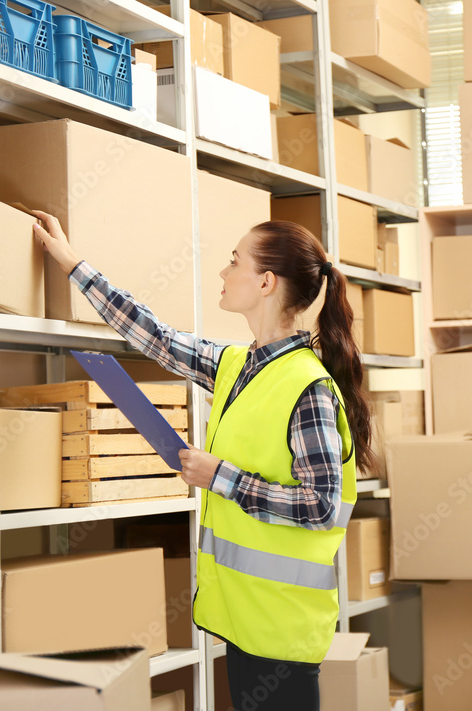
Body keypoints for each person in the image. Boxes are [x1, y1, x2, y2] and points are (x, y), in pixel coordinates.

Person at [32, 212, 375, 711]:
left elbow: (322, 507)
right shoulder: (238, 366)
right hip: (244, 619)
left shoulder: (309, 387)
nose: (223, 272)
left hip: (281, 629)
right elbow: (155, 336)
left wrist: (222, 477)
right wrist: (72, 264)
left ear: (265, 282)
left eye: (234, 261)